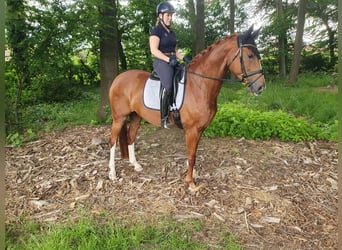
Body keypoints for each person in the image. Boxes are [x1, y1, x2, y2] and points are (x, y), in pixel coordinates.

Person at [149, 1, 191, 129]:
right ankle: (164, 117)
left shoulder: (172, 33)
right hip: (162, 61)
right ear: (160, 16)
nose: (170, 18)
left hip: (173, 59)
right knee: (168, 85)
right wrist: (168, 60)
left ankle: (178, 110)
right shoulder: (156, 31)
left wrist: (184, 58)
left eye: (171, 15)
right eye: (168, 15)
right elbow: (154, 50)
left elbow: (175, 51)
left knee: (185, 79)